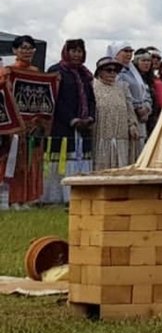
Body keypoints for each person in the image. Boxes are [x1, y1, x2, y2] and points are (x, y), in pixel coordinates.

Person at [43, 39, 96, 203]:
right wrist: (72, 120)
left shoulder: (85, 74)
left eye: (80, 51)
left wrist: (90, 118)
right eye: (73, 51)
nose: (77, 54)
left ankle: (80, 196)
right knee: (63, 159)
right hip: (62, 125)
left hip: (84, 126)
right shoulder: (56, 71)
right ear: (66, 52)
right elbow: (54, 100)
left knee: (81, 159)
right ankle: (56, 197)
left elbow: (91, 99)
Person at [0, 35, 46, 207]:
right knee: (12, 162)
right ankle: (11, 199)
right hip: (14, 126)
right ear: (14, 50)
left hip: (32, 125)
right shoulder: (7, 71)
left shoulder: (37, 72)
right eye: (23, 48)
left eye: (30, 48)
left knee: (30, 162)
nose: (26, 51)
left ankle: (27, 198)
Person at [92, 56, 140, 170]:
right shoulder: (93, 86)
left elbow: (129, 108)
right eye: (109, 70)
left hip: (121, 135)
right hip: (101, 136)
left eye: (115, 71)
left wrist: (132, 124)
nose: (113, 73)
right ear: (100, 71)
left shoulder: (122, 88)